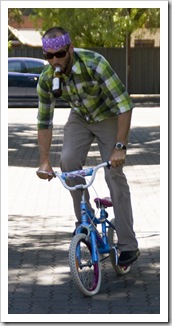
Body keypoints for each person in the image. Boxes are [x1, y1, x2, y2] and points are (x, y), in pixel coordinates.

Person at [36, 26, 140, 266]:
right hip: (80, 117)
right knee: (68, 163)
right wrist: (44, 160)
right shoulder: (46, 79)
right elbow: (44, 120)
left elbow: (125, 105)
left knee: (113, 174)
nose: (55, 61)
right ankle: (86, 223)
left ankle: (127, 244)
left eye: (59, 54)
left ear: (70, 48)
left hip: (107, 116)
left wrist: (120, 147)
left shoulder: (95, 63)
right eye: (48, 56)